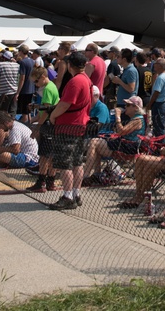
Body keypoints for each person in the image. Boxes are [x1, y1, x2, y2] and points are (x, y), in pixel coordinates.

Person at [46, 51, 94, 210]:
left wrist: (53, 116)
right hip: (80, 124)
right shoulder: (87, 80)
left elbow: (65, 104)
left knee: (64, 164)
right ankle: (76, 193)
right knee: (77, 162)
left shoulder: (75, 81)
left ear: (70, 65)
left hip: (68, 126)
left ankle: (67, 196)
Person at [78, 95, 145, 192]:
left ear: (135, 107)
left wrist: (117, 116)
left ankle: (87, 175)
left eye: (128, 105)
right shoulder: (135, 118)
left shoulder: (138, 120)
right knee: (96, 142)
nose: (125, 107)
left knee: (94, 142)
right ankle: (95, 174)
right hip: (123, 145)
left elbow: (121, 131)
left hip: (127, 148)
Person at [25, 67, 60, 193]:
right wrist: (33, 119)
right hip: (51, 124)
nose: (35, 85)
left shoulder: (48, 90)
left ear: (43, 77)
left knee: (44, 156)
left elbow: (46, 111)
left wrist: (37, 127)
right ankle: (50, 182)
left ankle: (41, 183)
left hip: (48, 125)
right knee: (51, 156)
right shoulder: (51, 86)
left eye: (36, 81)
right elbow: (44, 110)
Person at [147, 57, 165, 137]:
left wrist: (150, 104)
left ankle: (160, 146)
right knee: (160, 126)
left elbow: (156, 92)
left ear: (160, 66)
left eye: (156, 64)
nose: (154, 65)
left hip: (158, 104)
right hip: (162, 104)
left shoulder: (160, 78)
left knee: (158, 128)